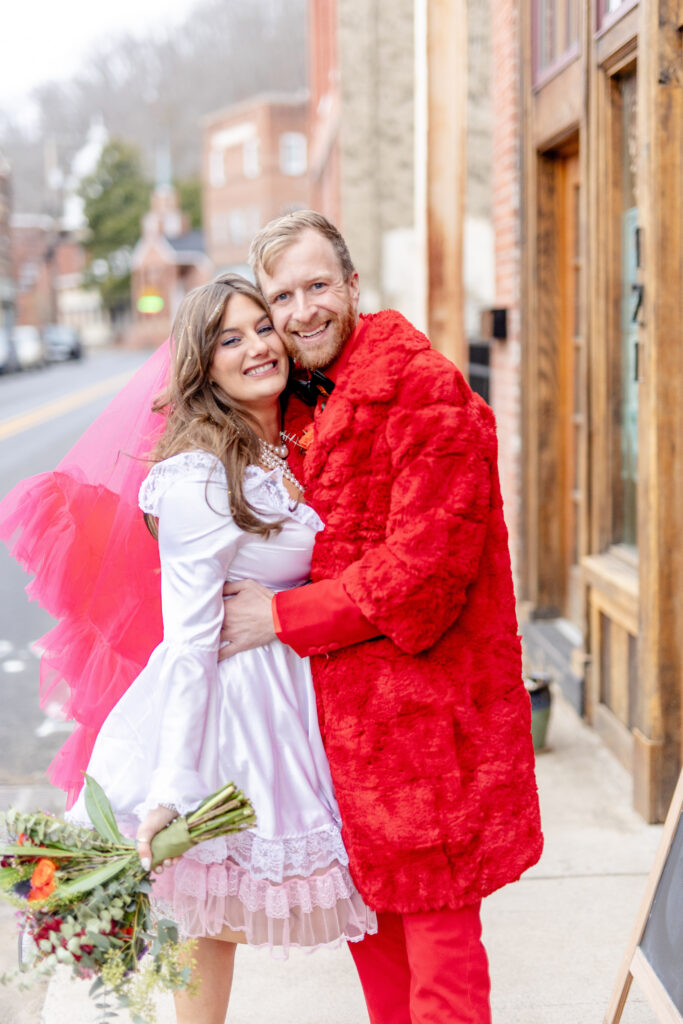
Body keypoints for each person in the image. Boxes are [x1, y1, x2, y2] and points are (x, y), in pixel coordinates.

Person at [217, 211, 544, 1024]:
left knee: (440, 970)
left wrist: (280, 618)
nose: (301, 311)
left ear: (354, 286)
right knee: (378, 958)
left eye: (317, 286)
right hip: (341, 734)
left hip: (426, 730)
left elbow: (426, 573)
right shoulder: (294, 404)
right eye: (282, 296)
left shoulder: (424, 391)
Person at [61, 273, 376, 1023]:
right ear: (202, 365)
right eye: (229, 339)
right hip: (228, 720)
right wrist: (173, 789)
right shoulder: (200, 473)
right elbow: (190, 642)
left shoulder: (276, 449)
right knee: (206, 916)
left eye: (261, 328)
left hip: (286, 700)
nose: (258, 347)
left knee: (214, 919)